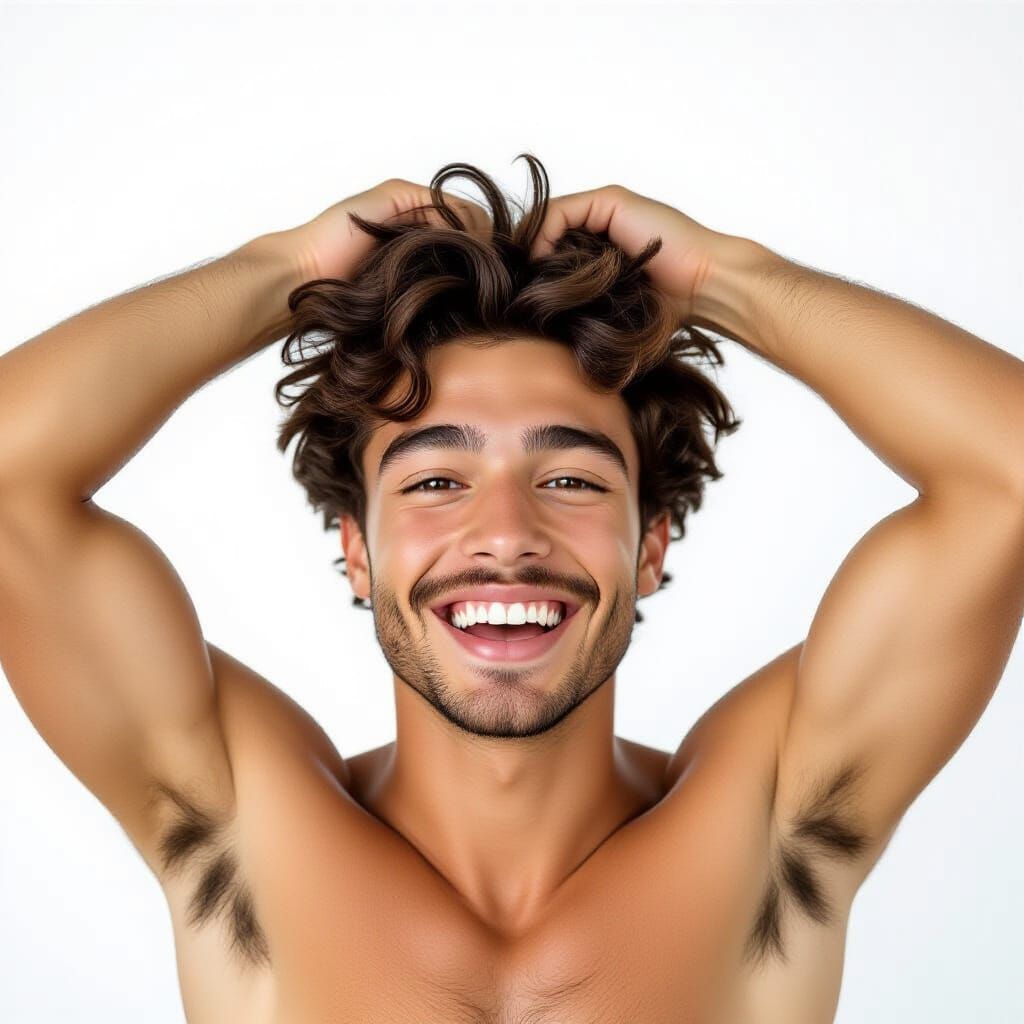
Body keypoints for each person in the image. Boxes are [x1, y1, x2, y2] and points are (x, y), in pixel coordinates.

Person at [1, 153, 1022, 1023]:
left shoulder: (765, 829)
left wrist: (723, 276)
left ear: (652, 543)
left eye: (569, 479)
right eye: (437, 480)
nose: (504, 535)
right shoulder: (240, 826)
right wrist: (290, 270)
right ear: (357, 548)